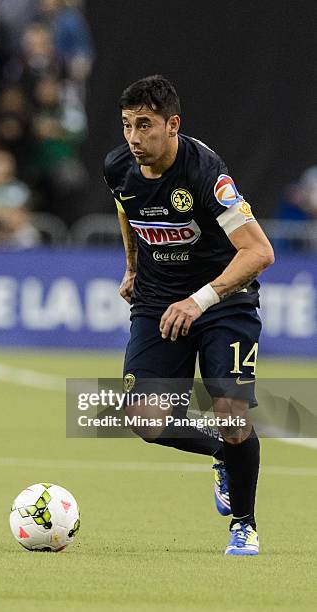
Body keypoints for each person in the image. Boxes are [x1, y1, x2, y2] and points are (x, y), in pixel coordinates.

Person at [104, 75, 274, 556]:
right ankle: (226, 457)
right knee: (145, 419)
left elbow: (259, 252)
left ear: (172, 124)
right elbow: (126, 210)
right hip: (158, 301)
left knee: (231, 415)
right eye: (126, 126)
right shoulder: (118, 166)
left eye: (145, 125)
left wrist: (199, 299)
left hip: (224, 301)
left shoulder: (205, 174)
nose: (134, 138)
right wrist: (133, 267)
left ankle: (245, 522)